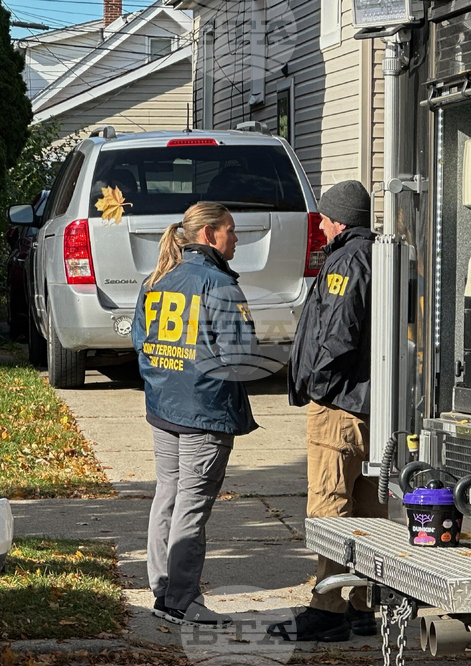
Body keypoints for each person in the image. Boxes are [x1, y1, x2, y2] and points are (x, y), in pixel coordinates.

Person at [132, 201, 259, 629]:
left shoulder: (157, 279)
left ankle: (163, 591)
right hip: (205, 412)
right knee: (190, 506)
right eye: (230, 230)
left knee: (168, 495)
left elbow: (140, 342)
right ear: (208, 234)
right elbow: (242, 356)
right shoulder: (218, 283)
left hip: (164, 407)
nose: (235, 238)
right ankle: (181, 602)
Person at [268, 180, 383, 642]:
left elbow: (337, 334)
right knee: (369, 510)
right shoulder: (382, 255)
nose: (319, 227)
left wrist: (318, 386)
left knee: (329, 506)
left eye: (323, 219)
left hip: (340, 406)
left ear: (337, 220)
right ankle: (363, 604)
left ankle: (328, 608)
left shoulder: (346, 261)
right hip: (376, 407)